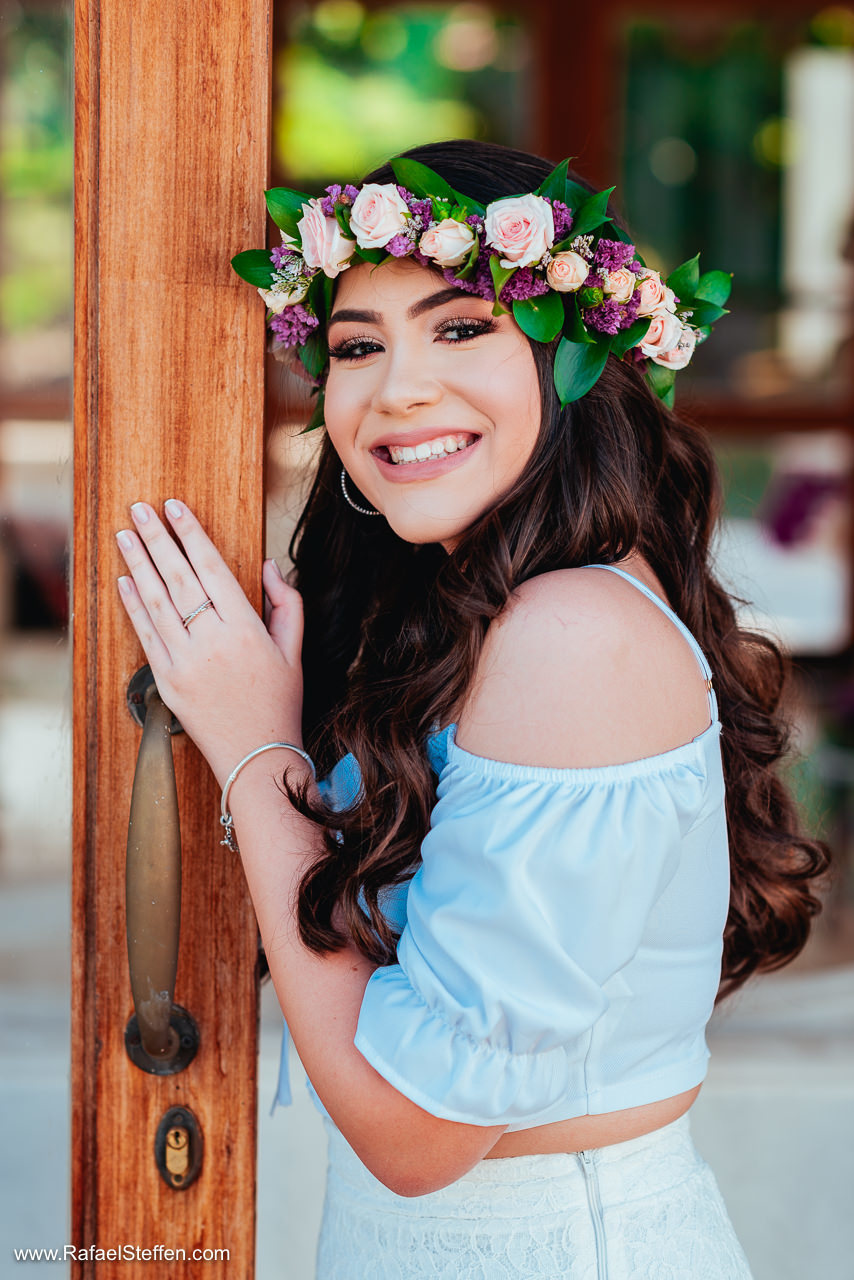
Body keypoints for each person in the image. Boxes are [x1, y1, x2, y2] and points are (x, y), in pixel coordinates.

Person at [115, 140, 829, 1277]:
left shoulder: (572, 634)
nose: (397, 385)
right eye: (357, 345)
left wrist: (254, 744)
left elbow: (416, 1134)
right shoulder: (481, 614)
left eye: (459, 328)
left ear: (578, 366)